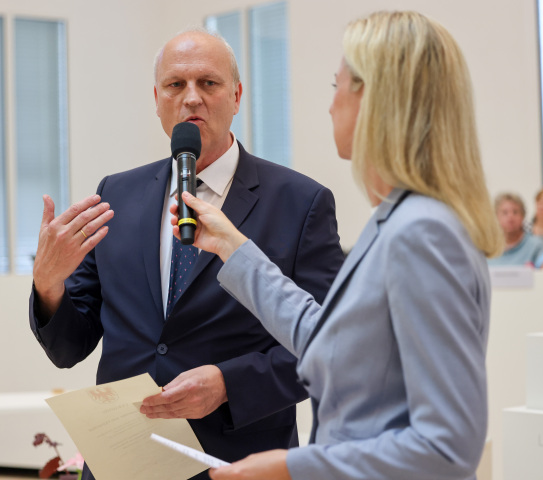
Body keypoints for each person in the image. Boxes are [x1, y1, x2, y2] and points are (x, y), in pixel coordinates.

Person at [170, 11, 503, 480]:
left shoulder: (422, 233)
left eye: (336, 87)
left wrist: (293, 466)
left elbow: (446, 448)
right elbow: (329, 341)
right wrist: (233, 247)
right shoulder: (398, 220)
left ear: (374, 97)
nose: (330, 106)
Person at [28, 29, 345, 480]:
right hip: (123, 461)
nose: (191, 97)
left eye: (208, 83)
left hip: (236, 461)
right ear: (156, 99)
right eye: (176, 85)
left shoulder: (300, 202)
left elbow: (331, 347)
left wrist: (229, 384)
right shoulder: (117, 193)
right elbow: (70, 347)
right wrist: (48, 285)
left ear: (236, 96)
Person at [488, 192, 543, 266]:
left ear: (523, 216)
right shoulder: (488, 247)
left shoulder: (536, 245)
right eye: (505, 213)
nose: (510, 217)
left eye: (515, 212)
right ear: (496, 217)